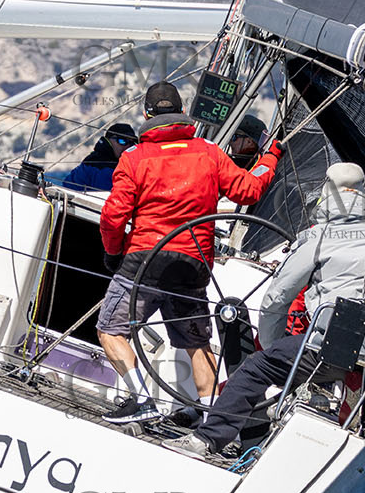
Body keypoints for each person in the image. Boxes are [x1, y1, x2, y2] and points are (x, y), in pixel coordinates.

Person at [173, 164, 365, 460]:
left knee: (257, 368)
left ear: (326, 194)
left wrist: (270, 346)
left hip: (336, 345)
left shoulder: (317, 237)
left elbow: (277, 297)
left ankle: (206, 439)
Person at [97, 81, 282, 423]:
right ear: (182, 111)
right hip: (193, 265)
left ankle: (142, 400)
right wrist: (271, 156)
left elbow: (113, 216)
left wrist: (112, 252)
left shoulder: (134, 158)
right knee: (196, 344)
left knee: (111, 330)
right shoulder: (209, 152)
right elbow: (249, 190)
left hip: (145, 261)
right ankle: (210, 418)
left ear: (146, 115)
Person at [58, 122, 137, 192]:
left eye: (131, 143)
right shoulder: (98, 165)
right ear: (109, 140)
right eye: (122, 141)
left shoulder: (93, 160)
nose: (127, 146)